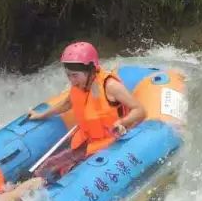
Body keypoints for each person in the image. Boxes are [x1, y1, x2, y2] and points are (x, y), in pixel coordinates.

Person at [26, 41, 146, 179]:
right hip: (88, 143)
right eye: (68, 75)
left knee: (59, 177)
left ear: (90, 70)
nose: (71, 81)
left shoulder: (111, 86)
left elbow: (140, 110)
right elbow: (67, 103)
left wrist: (123, 122)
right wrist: (41, 115)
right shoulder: (79, 86)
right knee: (46, 169)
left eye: (75, 75)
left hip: (111, 145)